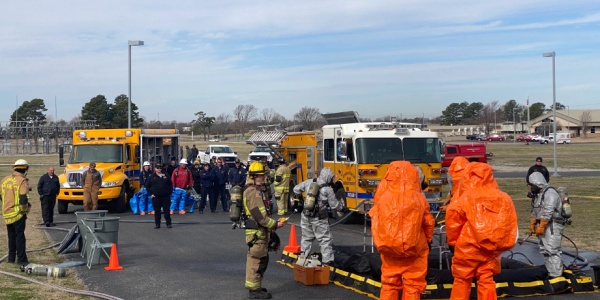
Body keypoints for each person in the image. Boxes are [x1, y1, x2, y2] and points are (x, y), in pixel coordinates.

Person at [446, 163, 517, 300]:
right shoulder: (504, 197)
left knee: (462, 280)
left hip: (467, 247)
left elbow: (453, 220)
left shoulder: (465, 197)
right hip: (492, 250)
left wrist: (453, 242)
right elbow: (510, 222)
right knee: (487, 280)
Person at [369, 161, 434, 300]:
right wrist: (428, 240)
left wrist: (380, 241)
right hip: (414, 248)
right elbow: (428, 222)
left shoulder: (383, 199)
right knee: (413, 284)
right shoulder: (418, 198)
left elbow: (375, 222)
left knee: (389, 283)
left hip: (389, 247)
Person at [243, 161, 285, 299]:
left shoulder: (257, 191)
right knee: (257, 260)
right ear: (254, 176)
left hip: (260, 232)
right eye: (261, 176)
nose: (264, 178)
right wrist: (274, 225)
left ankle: (256, 287)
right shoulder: (253, 192)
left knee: (261, 259)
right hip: (257, 233)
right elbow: (260, 216)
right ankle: (254, 291)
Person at [293, 167, 346, 265]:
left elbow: (296, 189)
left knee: (306, 238)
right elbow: (335, 205)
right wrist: (342, 209)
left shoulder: (309, 182)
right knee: (325, 239)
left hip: (305, 215)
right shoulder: (328, 190)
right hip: (319, 218)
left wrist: (300, 198)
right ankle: (328, 261)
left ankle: (302, 259)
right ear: (328, 177)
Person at [529, 171, 564, 278]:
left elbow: (549, 211)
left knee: (552, 250)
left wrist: (542, 225)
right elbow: (536, 209)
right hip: (544, 226)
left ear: (537, 183)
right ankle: (551, 272)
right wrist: (533, 222)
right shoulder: (539, 195)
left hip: (552, 226)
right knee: (545, 250)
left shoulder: (550, 194)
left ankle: (556, 275)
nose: (531, 187)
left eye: (532, 185)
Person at [1, 159, 31, 266]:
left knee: (11, 236)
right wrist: (24, 211)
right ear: (25, 169)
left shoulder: (5, 180)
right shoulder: (22, 181)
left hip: (7, 213)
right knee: (20, 237)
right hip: (18, 214)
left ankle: (11, 258)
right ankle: (22, 260)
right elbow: (23, 198)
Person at [145, 164, 172, 229]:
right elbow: (147, 186)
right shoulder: (151, 177)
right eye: (157, 168)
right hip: (156, 197)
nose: (159, 169)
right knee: (157, 211)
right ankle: (157, 224)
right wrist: (151, 194)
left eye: (160, 168)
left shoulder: (165, 175)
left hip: (165, 196)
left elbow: (170, 185)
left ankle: (168, 223)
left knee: (167, 211)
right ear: (155, 169)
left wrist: (169, 193)